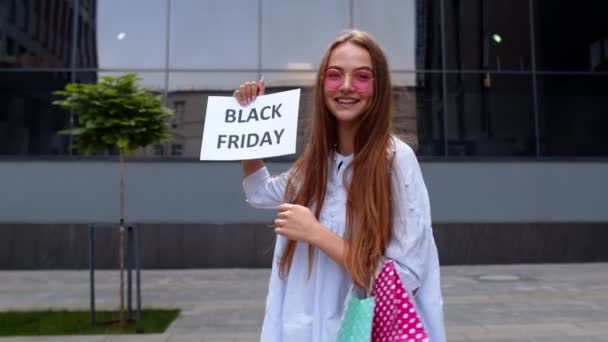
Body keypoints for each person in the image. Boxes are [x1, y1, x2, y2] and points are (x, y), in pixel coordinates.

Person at [234, 30, 445, 342]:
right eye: (335, 75)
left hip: (360, 330)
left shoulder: (395, 160)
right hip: (303, 330)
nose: (346, 86)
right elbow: (258, 191)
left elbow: (406, 276)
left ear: (378, 87)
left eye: (362, 76)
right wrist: (250, 121)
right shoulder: (317, 164)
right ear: (322, 85)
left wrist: (316, 233)